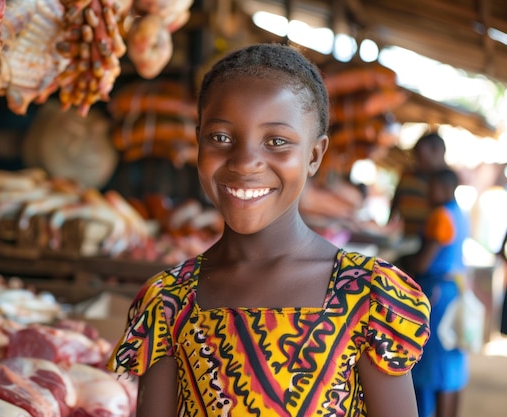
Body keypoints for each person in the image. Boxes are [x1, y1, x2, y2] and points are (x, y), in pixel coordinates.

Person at [106, 43, 431, 416]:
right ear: (198, 142)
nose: (245, 163)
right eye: (221, 138)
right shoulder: (167, 302)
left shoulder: (367, 295)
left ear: (313, 155)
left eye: (276, 141)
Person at [406, 168, 470, 417]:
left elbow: (423, 263)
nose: (427, 192)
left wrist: (403, 262)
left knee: (431, 365)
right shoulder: (459, 213)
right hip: (453, 289)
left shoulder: (441, 216)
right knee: (451, 363)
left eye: (431, 187)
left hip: (436, 295)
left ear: (443, 188)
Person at [389, 132, 449, 241]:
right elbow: (396, 201)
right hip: (405, 237)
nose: (417, 162)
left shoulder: (446, 182)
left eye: (421, 157)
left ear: (437, 152)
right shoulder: (407, 175)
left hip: (425, 242)